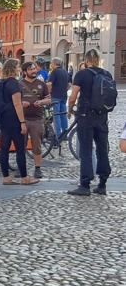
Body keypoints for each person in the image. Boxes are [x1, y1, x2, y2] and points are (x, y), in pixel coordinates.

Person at [67, 49, 112, 196]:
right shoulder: (107, 74)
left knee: (86, 150)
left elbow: (73, 96)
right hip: (102, 117)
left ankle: (85, 185)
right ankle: (102, 183)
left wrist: (70, 109)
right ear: (99, 60)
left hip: (86, 116)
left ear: (86, 60)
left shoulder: (82, 74)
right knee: (102, 150)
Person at [0, 59, 38, 186]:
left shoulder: (2, 83)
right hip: (14, 119)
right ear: (14, 69)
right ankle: (24, 177)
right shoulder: (14, 83)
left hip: (3, 118)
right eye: (18, 67)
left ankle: (6, 177)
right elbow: (16, 104)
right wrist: (22, 122)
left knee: (4, 149)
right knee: (20, 149)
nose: (19, 69)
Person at [20, 61, 50, 179]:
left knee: (36, 145)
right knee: (20, 145)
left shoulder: (41, 84)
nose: (34, 71)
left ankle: (38, 168)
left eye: (34, 69)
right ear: (24, 72)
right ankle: (21, 167)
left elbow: (49, 100)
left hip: (37, 119)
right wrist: (22, 103)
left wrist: (41, 102)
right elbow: (14, 101)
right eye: (31, 69)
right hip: (22, 119)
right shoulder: (19, 84)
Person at [48, 57, 70, 140]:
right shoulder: (65, 72)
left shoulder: (55, 72)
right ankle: (65, 134)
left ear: (54, 64)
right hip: (64, 96)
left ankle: (58, 135)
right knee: (63, 115)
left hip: (56, 96)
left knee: (56, 116)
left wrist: (49, 92)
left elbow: (49, 84)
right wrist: (64, 90)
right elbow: (69, 85)